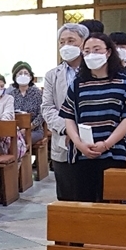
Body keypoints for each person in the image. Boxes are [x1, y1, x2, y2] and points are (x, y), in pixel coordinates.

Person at [59, 33, 126, 202]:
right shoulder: (77, 84)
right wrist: (79, 144)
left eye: (97, 50)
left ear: (108, 52)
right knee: (84, 204)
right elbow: (69, 117)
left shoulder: (123, 83)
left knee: (111, 205)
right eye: (87, 51)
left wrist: (106, 144)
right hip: (82, 154)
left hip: (113, 153)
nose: (92, 55)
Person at [42, 23, 88, 201]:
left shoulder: (94, 71)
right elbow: (47, 107)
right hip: (63, 141)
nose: (66, 46)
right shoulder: (52, 75)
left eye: (71, 40)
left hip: (91, 140)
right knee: (66, 195)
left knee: (89, 195)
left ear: (83, 42)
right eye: (62, 42)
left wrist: (81, 131)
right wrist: (67, 129)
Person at [9, 61, 44, 145]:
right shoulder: (11, 95)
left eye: (26, 73)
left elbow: (42, 114)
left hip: (34, 130)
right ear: (15, 77)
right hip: (15, 130)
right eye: (20, 73)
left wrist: (29, 127)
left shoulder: (37, 93)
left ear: (31, 77)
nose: (23, 75)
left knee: (19, 140)